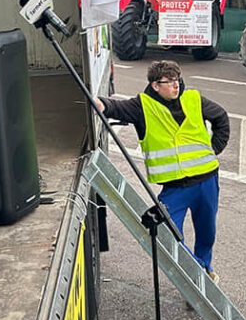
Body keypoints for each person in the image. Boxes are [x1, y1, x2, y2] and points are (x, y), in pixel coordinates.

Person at [95, 60, 230, 277]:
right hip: (176, 187)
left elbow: (221, 117)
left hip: (206, 181)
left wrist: (214, 148)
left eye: (177, 80)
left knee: (207, 234)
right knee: (165, 235)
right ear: (156, 85)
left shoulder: (193, 98)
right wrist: (101, 104)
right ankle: (197, 272)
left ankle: (203, 272)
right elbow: (116, 108)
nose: (176, 86)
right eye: (169, 82)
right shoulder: (143, 105)